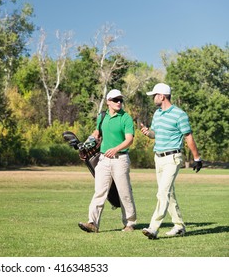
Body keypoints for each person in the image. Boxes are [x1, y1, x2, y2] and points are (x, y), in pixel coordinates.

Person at [140, 83, 202, 239]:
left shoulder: (179, 114)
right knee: (169, 193)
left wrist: (196, 157)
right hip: (158, 158)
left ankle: (153, 227)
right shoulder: (157, 114)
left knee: (162, 193)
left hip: (172, 158)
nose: (153, 98)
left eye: (155, 95)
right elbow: (156, 134)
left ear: (162, 96)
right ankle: (179, 225)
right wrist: (148, 132)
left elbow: (188, 136)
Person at [78, 89, 137, 233]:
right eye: (116, 100)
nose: (119, 102)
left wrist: (116, 149)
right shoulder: (102, 116)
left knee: (124, 193)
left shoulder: (126, 118)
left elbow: (129, 139)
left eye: (121, 100)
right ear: (108, 101)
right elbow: (96, 134)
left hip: (120, 159)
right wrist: (86, 144)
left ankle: (130, 223)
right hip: (103, 159)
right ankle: (93, 223)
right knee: (99, 192)